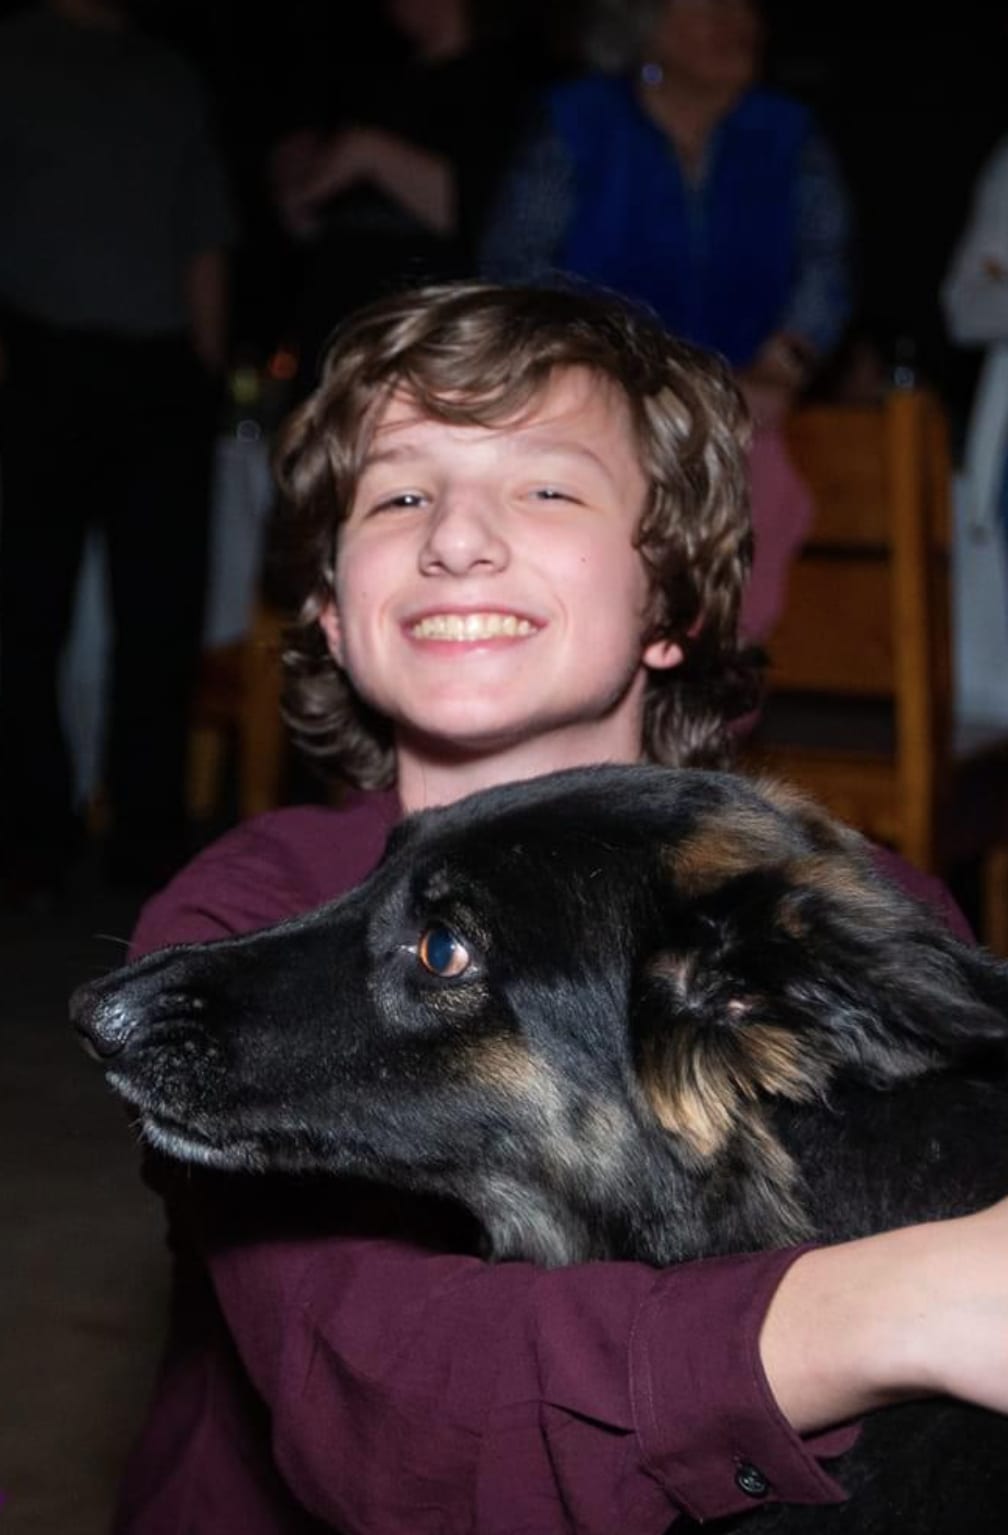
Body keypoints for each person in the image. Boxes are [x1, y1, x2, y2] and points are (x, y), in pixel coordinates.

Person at [115, 281, 1007, 1534]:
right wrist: (910, 1302)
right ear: (329, 610)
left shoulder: (826, 908)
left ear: (674, 601)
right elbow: (390, 1411)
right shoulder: (249, 923)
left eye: (546, 487)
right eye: (399, 496)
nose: (456, 538)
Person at [478, 0, 854, 643]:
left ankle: (708, 676)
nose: (740, 25)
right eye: (711, 9)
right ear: (642, 27)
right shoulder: (578, 122)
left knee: (760, 495)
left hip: (744, 410)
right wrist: (614, 376)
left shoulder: (786, 132)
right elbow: (516, 269)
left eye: (745, 9)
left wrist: (781, 364)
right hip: (597, 400)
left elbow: (828, 261)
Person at [0, 0, 238, 902]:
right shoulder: (13, 54)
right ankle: (32, 829)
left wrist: (205, 371)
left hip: (160, 373)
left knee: (161, 622)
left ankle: (148, 834)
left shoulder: (168, 72)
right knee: (22, 614)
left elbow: (203, 228)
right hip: (36, 356)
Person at [267, 0, 549, 402]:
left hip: (424, 325)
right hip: (336, 321)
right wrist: (297, 186)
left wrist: (370, 153)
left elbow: (486, 215)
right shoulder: (375, 82)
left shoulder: (507, 83)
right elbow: (309, 220)